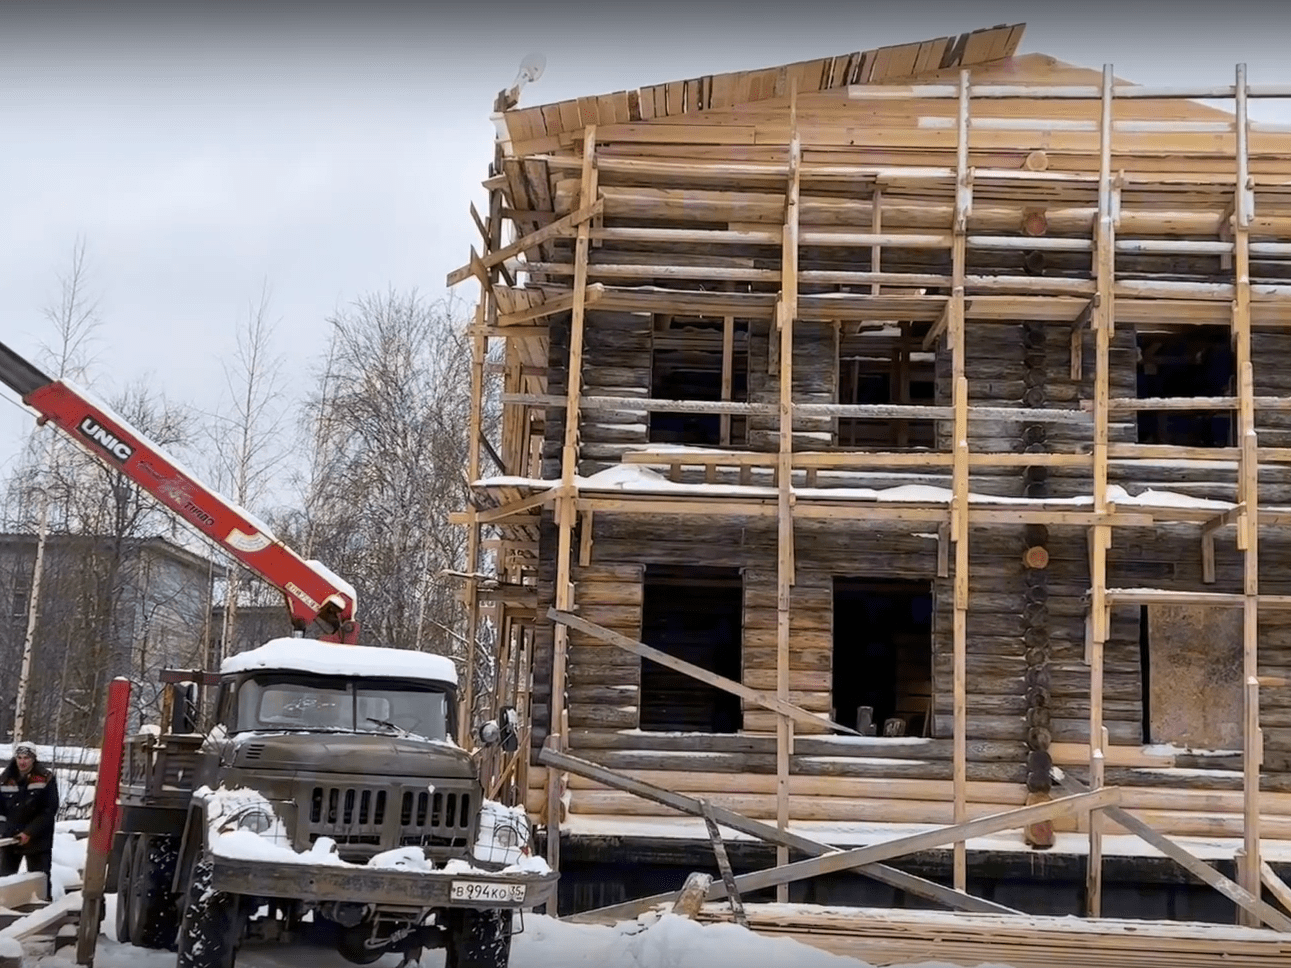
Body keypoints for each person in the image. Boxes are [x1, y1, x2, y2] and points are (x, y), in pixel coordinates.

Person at [0, 742, 60, 900]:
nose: (22, 761)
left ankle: (42, 907)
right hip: (10, 838)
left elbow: (48, 811)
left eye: (26, 757)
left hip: (38, 838)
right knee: (4, 879)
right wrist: (3, 830)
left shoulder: (45, 778)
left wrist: (29, 833)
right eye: (19, 757)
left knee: (40, 880)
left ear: (33, 759)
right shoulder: (5, 779)